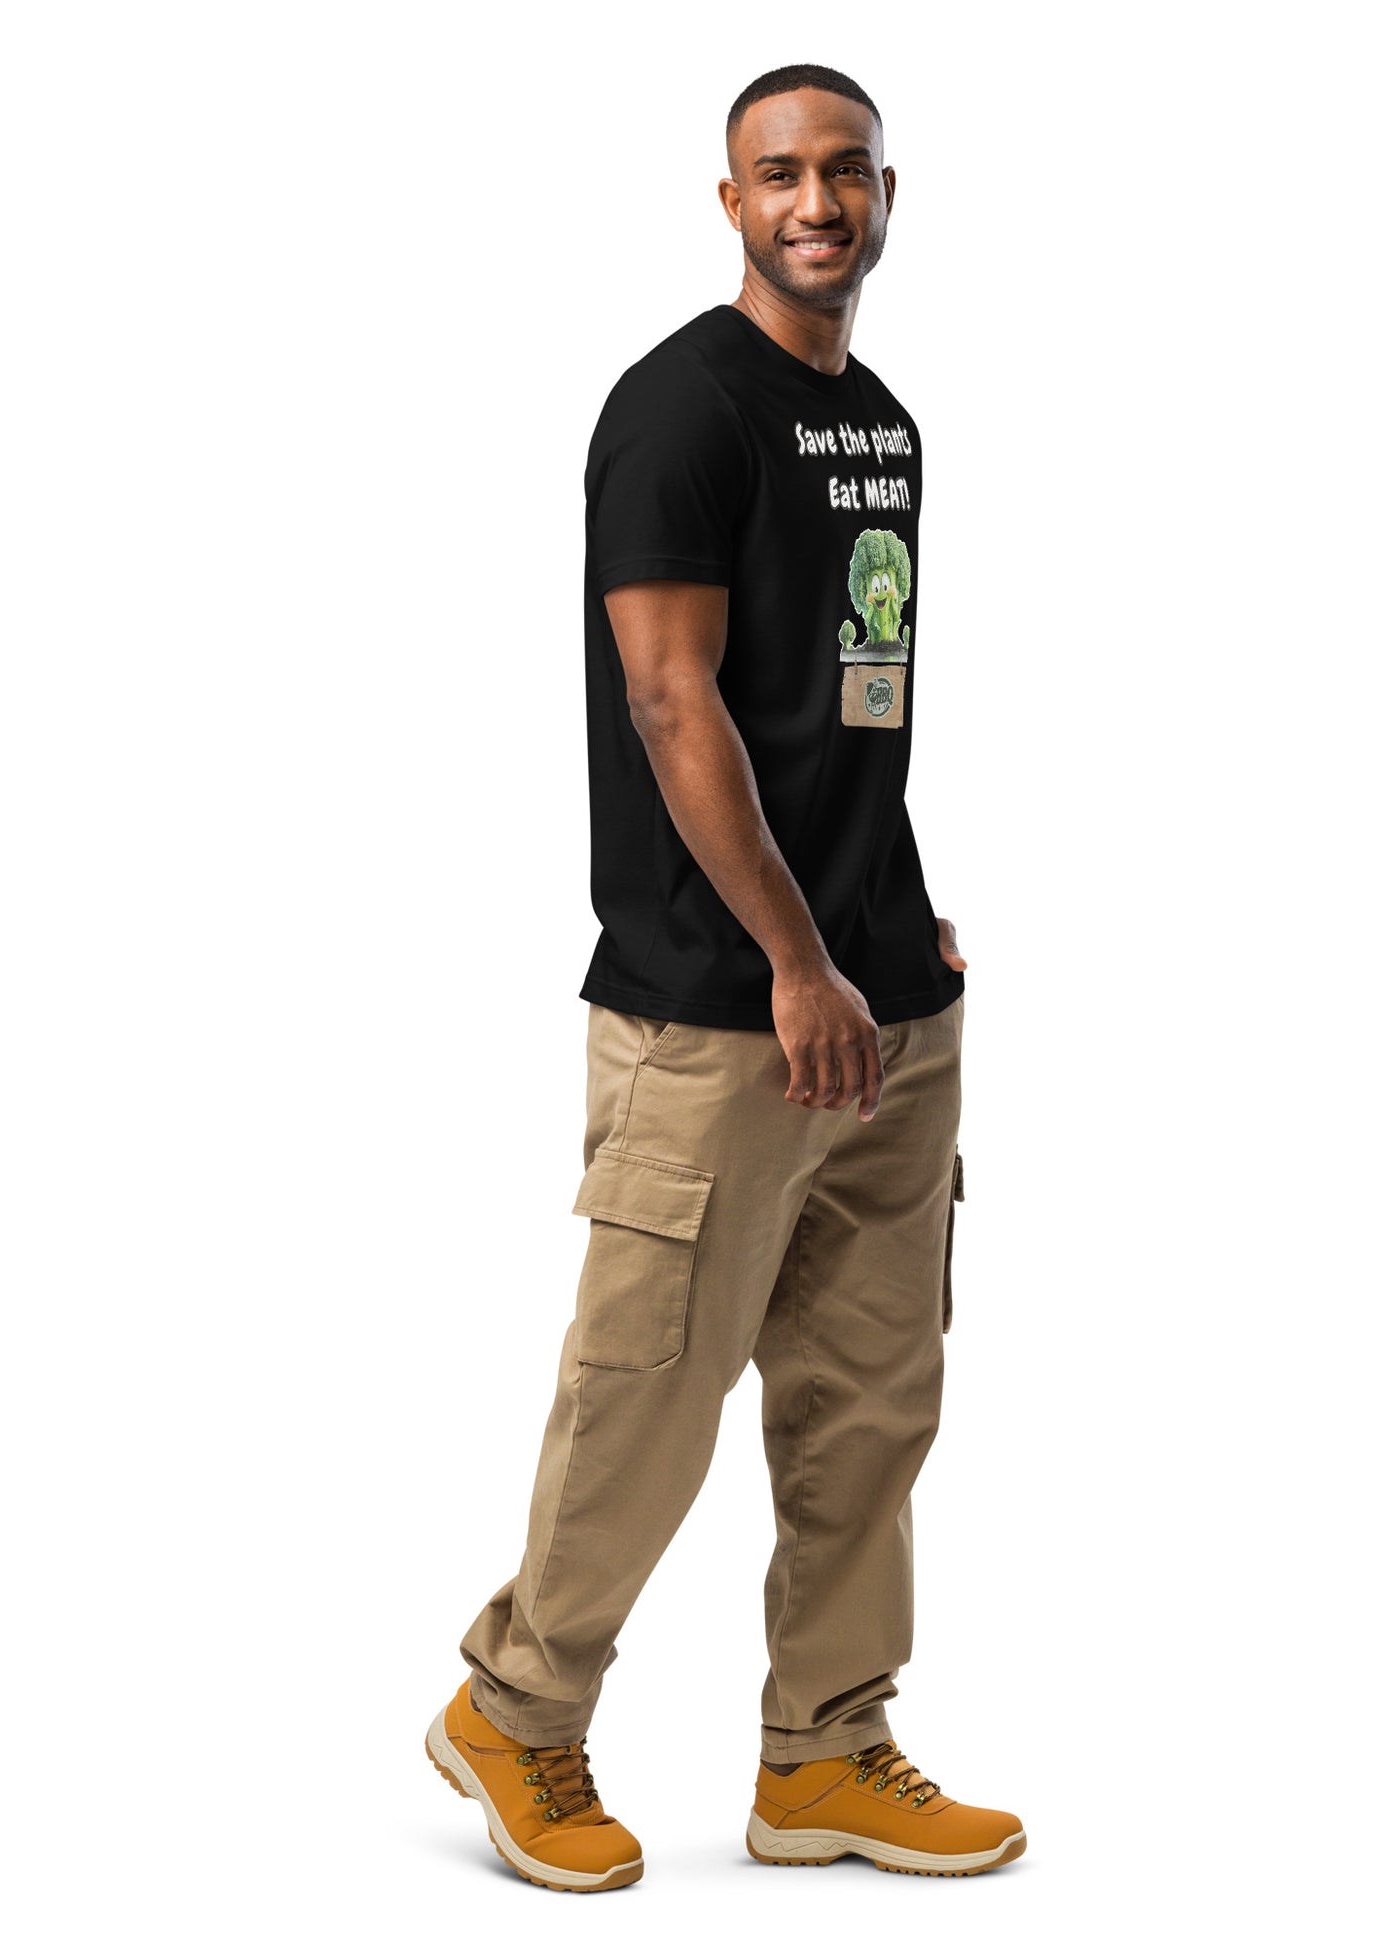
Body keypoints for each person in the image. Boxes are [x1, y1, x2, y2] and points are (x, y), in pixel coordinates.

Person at [424, 64, 1024, 1891]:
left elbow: (851, 700)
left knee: (866, 1390)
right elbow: (673, 703)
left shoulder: (887, 424)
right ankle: (516, 1713)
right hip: (720, 1006)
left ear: (886, 192)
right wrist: (791, 956)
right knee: (650, 1386)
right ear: (730, 199)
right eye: (782, 173)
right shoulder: (678, 410)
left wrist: (888, 922)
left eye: (844, 172)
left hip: (875, 1006)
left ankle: (825, 1747)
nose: (816, 201)